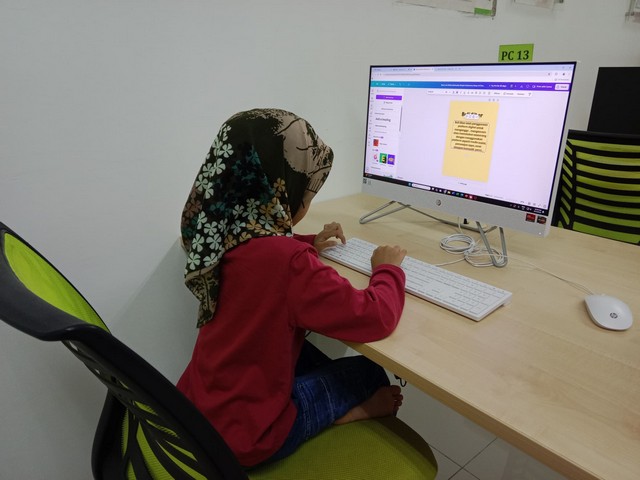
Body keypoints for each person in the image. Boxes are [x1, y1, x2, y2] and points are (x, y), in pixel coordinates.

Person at [177, 108, 408, 468]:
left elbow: (257, 253)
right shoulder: (288, 262)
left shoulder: (210, 232)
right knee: (370, 372)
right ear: (283, 188)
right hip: (250, 438)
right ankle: (341, 416)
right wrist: (387, 269)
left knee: (303, 350)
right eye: (308, 191)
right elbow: (374, 316)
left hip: (196, 409)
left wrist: (307, 241)